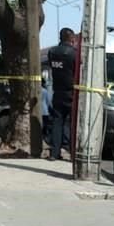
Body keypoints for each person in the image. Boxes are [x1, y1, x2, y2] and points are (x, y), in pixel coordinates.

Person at [47, 27, 77, 161]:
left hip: (57, 91)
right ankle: (73, 153)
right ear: (71, 38)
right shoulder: (74, 53)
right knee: (73, 124)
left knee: (57, 123)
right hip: (72, 92)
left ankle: (54, 153)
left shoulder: (52, 52)